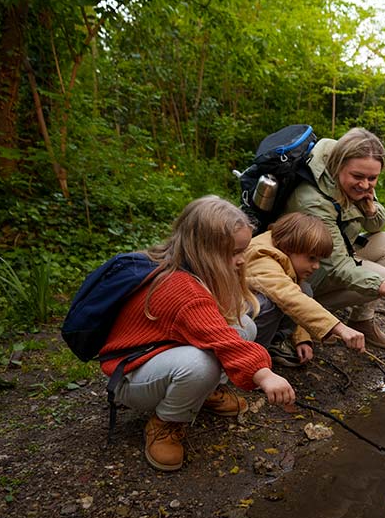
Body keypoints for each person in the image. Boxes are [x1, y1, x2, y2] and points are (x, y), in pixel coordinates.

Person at [99, 195, 296, 472]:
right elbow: (223, 340)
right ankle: (166, 423)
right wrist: (264, 374)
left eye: (243, 251)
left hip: (160, 352)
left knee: (245, 326)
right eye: (234, 253)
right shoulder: (181, 288)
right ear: (206, 250)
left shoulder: (187, 265)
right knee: (201, 364)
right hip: (130, 374)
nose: (241, 261)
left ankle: (204, 393)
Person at [284, 127, 385, 349]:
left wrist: (369, 206)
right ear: (338, 167)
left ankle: (362, 320)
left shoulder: (355, 174)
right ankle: (307, 316)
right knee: (381, 276)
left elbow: (376, 224)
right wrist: (384, 287)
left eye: (372, 178)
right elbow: (337, 266)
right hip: (299, 273)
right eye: (358, 177)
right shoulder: (314, 201)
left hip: (334, 250)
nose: (365, 185)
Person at [245, 211, 366, 367]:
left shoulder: (283, 250)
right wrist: (339, 328)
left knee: (305, 290)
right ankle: (251, 362)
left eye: (319, 260)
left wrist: (301, 338)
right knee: (271, 304)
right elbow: (288, 297)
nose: (316, 266)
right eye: (311, 258)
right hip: (232, 319)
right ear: (289, 247)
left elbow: (295, 293)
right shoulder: (261, 255)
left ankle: (272, 344)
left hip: (245, 311)